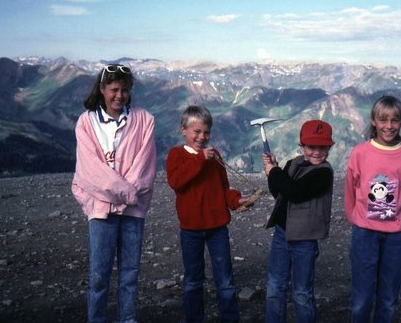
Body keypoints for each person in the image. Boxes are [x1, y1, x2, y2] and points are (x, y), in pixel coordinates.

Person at [71, 64, 157, 323]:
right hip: (101, 210)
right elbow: (89, 171)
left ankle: (127, 319)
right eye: (114, 90)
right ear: (102, 90)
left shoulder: (145, 120)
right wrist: (126, 194)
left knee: (129, 276)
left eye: (125, 90)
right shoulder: (86, 123)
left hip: (132, 210)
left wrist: (122, 197)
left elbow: (145, 165)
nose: (119, 95)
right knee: (99, 277)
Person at [165, 105, 251, 323]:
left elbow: (223, 188)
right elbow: (177, 182)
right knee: (194, 280)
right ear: (183, 130)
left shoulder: (215, 156)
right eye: (197, 132)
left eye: (206, 132)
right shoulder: (177, 155)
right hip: (191, 230)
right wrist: (200, 159)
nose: (202, 137)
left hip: (217, 228)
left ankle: (230, 318)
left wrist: (235, 201)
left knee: (225, 281)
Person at [344, 95, 401, 323]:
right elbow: (350, 187)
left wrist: (397, 216)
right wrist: (354, 217)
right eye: (383, 120)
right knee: (362, 297)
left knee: (388, 296)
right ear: (373, 121)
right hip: (365, 232)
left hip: (396, 235)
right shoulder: (360, 153)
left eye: (394, 120)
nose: (389, 126)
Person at [261, 120, 335, 323]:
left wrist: (274, 172)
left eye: (323, 147)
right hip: (282, 234)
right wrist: (274, 169)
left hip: (305, 239)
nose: (317, 152)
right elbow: (280, 193)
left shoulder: (323, 172)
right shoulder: (293, 163)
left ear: (329, 148)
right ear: (301, 146)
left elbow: (296, 192)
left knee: (301, 292)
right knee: (275, 287)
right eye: (311, 147)